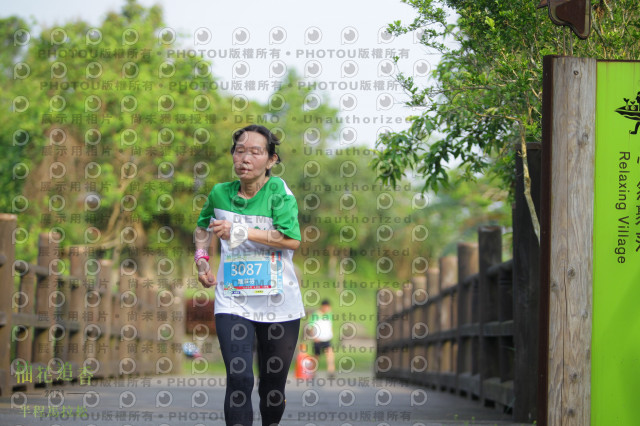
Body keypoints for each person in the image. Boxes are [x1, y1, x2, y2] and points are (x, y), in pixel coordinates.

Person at [194, 124, 305, 426]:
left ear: (271, 160)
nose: (245, 158)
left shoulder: (279, 192)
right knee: (239, 378)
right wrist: (202, 259)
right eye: (239, 151)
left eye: (255, 152)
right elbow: (203, 228)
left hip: (279, 304)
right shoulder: (220, 193)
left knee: (272, 388)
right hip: (233, 300)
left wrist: (240, 231)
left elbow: (291, 239)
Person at [308, 299, 335, 378]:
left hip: (327, 339)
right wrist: (314, 337)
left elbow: (330, 325)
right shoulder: (315, 315)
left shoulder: (329, 315)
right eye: (327, 307)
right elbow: (310, 327)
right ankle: (313, 373)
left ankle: (331, 372)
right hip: (318, 339)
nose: (328, 309)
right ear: (323, 306)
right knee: (316, 356)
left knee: (330, 355)